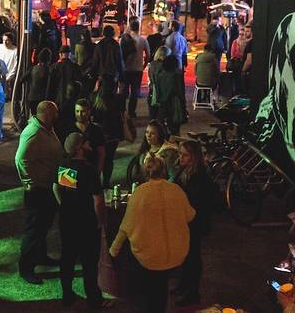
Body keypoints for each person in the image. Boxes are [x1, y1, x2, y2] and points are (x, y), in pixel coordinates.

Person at [110, 155, 195, 313]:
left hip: (149, 254)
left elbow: (127, 225)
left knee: (150, 288)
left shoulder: (140, 193)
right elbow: (190, 215)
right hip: (173, 252)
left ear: (144, 172)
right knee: (161, 286)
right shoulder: (176, 190)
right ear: (164, 170)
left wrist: (114, 249)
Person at [54, 133, 108, 308]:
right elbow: (97, 200)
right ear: (79, 148)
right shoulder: (89, 170)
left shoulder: (64, 165)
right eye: (85, 143)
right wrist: (100, 221)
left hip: (67, 219)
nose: (88, 144)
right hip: (86, 222)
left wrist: (64, 204)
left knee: (67, 258)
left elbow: (57, 187)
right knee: (89, 262)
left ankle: (67, 295)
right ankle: (94, 299)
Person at [14, 101, 63, 284]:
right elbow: (20, 159)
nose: (57, 116)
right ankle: (26, 268)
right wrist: (29, 182)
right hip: (38, 190)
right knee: (34, 230)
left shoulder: (45, 129)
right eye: (55, 113)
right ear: (48, 114)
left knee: (43, 225)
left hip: (47, 186)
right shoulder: (33, 133)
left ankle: (41, 256)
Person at [173, 141, 216, 306]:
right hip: (186, 220)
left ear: (194, 157)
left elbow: (197, 202)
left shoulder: (200, 176)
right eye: (180, 154)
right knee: (186, 254)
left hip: (195, 222)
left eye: (184, 155)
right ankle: (184, 284)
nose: (180, 157)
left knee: (193, 256)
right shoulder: (184, 171)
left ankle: (193, 292)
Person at [92, 76, 124, 188]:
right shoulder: (117, 99)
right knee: (109, 159)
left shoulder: (95, 98)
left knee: (98, 157)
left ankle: (95, 181)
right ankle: (106, 182)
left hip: (99, 132)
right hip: (113, 133)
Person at [126, 120, 178, 186]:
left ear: (159, 135)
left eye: (152, 133)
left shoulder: (168, 152)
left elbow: (173, 176)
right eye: (147, 132)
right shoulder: (144, 151)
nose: (148, 135)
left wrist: (163, 187)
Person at [120, 18, 150, 118]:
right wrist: (144, 65)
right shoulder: (143, 40)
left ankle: (122, 111)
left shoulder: (124, 39)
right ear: (138, 28)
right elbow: (148, 55)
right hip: (137, 69)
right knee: (135, 92)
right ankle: (131, 112)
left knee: (123, 91)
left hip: (126, 69)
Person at [20, 47, 52, 116]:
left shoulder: (33, 68)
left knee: (34, 117)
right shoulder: (49, 70)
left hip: (32, 97)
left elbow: (22, 79)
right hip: (42, 99)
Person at [146, 46, 169, 119]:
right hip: (162, 93)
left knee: (153, 116)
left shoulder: (152, 64)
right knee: (161, 117)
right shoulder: (165, 66)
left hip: (152, 91)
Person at [0, 31, 19, 99]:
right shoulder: (0, 47)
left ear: (11, 41)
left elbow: (15, 66)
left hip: (9, 77)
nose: (5, 42)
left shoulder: (15, 50)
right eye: (3, 40)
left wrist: (8, 77)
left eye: (7, 40)